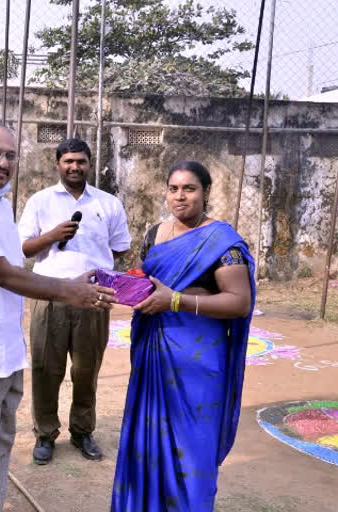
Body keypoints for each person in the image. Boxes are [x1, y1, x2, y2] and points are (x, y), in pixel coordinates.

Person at [0, 124, 117, 511]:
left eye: (11, 155)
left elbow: (16, 265)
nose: (3, 162)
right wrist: (68, 290)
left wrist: (73, 283)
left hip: (3, 356)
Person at [110, 160, 255, 511]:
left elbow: (238, 302)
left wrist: (175, 300)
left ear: (205, 193)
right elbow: (148, 283)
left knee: (193, 446)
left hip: (198, 358)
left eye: (189, 189)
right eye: (173, 189)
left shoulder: (222, 241)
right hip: (154, 352)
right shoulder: (154, 234)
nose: (180, 196)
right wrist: (111, 288)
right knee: (150, 439)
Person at [17, 137, 132, 465]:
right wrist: (52, 236)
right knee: (45, 368)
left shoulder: (108, 204)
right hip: (49, 294)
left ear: (89, 163)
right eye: (68, 161)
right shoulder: (40, 201)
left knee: (86, 370)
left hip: (93, 299)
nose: (74, 167)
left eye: (80, 161)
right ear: (58, 164)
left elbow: (120, 247)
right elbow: (23, 248)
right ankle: (45, 433)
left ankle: (82, 431)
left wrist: (96, 264)